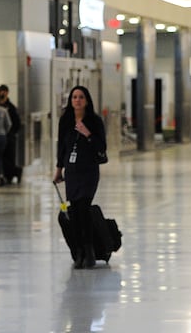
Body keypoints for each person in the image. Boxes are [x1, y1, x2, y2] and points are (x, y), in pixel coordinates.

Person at [53, 86, 107, 269]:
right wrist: (58, 169)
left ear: (87, 100)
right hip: (72, 172)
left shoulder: (94, 121)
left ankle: (90, 251)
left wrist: (88, 134)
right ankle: (78, 252)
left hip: (88, 171)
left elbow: (102, 147)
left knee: (83, 209)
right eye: (74, 97)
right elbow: (62, 147)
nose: (77, 100)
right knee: (74, 212)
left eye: (81, 97)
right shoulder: (65, 121)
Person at [0, 84, 22, 184]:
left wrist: (12, 133)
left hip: (9, 136)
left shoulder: (11, 107)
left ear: (6, 92)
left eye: (1, 91)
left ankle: (15, 172)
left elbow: (16, 123)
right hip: (0, 136)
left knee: (9, 157)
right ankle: (8, 175)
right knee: (2, 157)